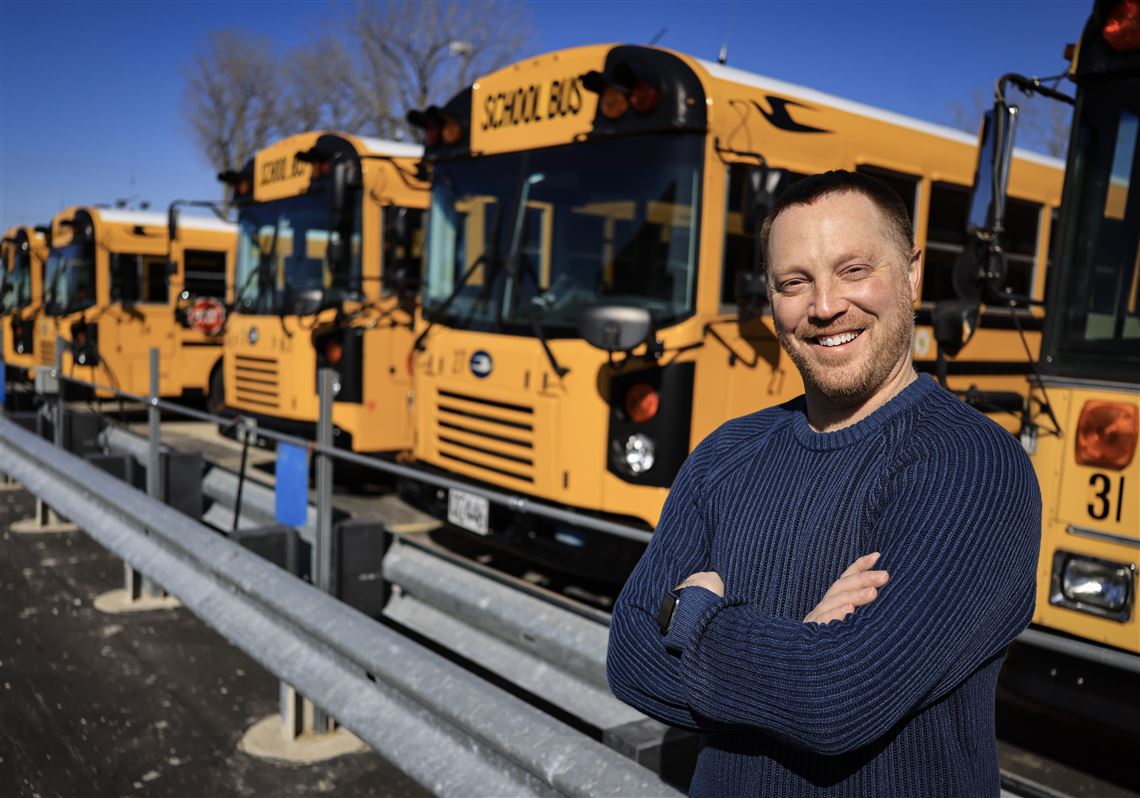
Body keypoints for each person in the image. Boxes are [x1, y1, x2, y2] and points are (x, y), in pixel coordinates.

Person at [607, 170, 1040, 796]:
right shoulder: (726, 452)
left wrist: (694, 615)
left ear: (913, 274)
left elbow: (837, 702)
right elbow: (629, 660)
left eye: (854, 270)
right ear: (771, 297)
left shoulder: (971, 465)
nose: (825, 306)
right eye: (794, 282)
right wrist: (799, 652)